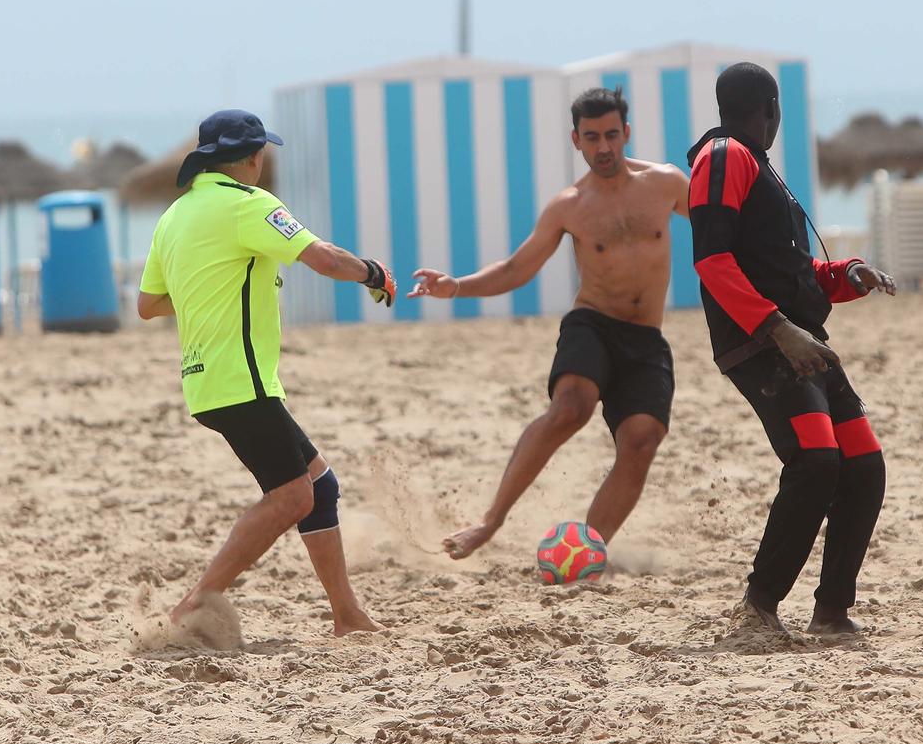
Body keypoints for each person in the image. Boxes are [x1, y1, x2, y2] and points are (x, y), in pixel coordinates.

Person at [138, 109, 391, 638]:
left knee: (319, 486)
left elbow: (148, 304)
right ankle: (190, 608)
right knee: (293, 496)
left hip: (206, 380)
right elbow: (322, 258)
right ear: (254, 157)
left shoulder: (174, 216)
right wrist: (373, 272)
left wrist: (206, 292)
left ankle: (348, 617)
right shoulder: (248, 205)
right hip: (241, 379)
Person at [409, 87, 689, 560]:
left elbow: (724, 223)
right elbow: (517, 269)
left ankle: (583, 551)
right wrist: (456, 285)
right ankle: (490, 520)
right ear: (576, 140)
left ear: (627, 134)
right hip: (593, 325)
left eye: (612, 135)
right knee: (571, 408)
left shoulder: (666, 184)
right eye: (592, 137)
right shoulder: (570, 205)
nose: (604, 148)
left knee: (641, 441)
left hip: (646, 339)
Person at [686, 64, 895, 635]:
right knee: (815, 462)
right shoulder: (725, 157)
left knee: (863, 467)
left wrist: (845, 273)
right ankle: (758, 607)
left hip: (800, 340)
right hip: (762, 342)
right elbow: (711, 258)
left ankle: (831, 612)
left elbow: (787, 270)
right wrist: (777, 328)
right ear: (772, 109)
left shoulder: (757, 167)